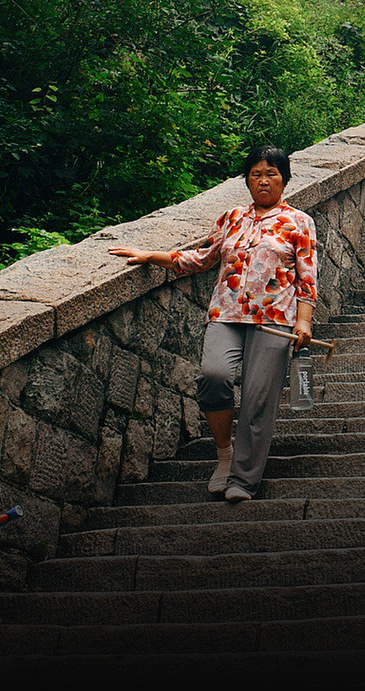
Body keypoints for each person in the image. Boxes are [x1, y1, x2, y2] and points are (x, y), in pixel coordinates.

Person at [109, 145, 319, 503]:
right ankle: (225, 454)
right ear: (247, 180)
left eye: (271, 174)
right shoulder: (232, 218)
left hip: (274, 322)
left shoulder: (300, 222)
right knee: (213, 376)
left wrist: (304, 322)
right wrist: (151, 256)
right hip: (226, 314)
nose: (264, 181)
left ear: (285, 179)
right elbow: (201, 258)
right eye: (256, 174)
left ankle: (243, 481)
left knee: (257, 401)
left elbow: (307, 278)